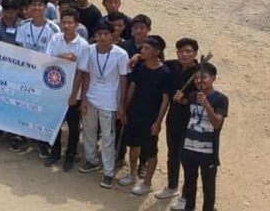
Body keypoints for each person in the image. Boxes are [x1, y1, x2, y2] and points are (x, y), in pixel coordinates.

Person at [77, 21, 129, 189]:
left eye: (106, 34)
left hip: (109, 102)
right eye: (99, 34)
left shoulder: (121, 54)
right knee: (89, 132)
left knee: (108, 137)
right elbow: (85, 75)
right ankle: (91, 160)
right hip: (91, 97)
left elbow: (123, 80)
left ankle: (108, 171)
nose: (103, 37)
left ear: (112, 35)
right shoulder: (89, 50)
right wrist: (84, 99)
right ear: (95, 36)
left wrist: (121, 105)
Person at [119, 35, 172, 196]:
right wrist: (124, 109)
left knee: (150, 151)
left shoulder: (165, 73)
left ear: (157, 52)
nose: (143, 51)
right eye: (143, 48)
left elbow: (165, 99)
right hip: (134, 112)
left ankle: (147, 183)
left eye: (147, 48)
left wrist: (158, 121)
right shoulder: (140, 67)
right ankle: (132, 174)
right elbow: (132, 88)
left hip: (150, 116)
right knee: (133, 145)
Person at [175, 63, 227, 211]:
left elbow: (217, 123)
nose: (199, 81)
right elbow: (189, 113)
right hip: (189, 149)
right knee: (189, 185)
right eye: (196, 78)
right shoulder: (192, 96)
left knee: (208, 187)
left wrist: (207, 106)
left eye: (203, 77)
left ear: (213, 78)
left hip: (208, 152)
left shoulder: (221, 99)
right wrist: (181, 100)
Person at [156, 38, 201, 206]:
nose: (184, 54)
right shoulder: (173, 65)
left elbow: (204, 96)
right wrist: (138, 57)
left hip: (192, 122)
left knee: (188, 159)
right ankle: (171, 186)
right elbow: (157, 62)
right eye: (181, 51)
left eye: (188, 51)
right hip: (173, 118)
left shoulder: (201, 72)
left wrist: (186, 100)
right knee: (172, 154)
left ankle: (187, 197)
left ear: (195, 54)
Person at [45, 8, 89, 171]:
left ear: (76, 25)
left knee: (73, 126)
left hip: (73, 93)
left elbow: (81, 72)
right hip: (55, 89)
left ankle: (70, 155)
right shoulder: (55, 38)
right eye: (64, 22)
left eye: (70, 23)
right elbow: (48, 59)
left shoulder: (83, 45)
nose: (66, 25)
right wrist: (66, 57)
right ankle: (55, 152)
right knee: (54, 122)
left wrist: (73, 95)